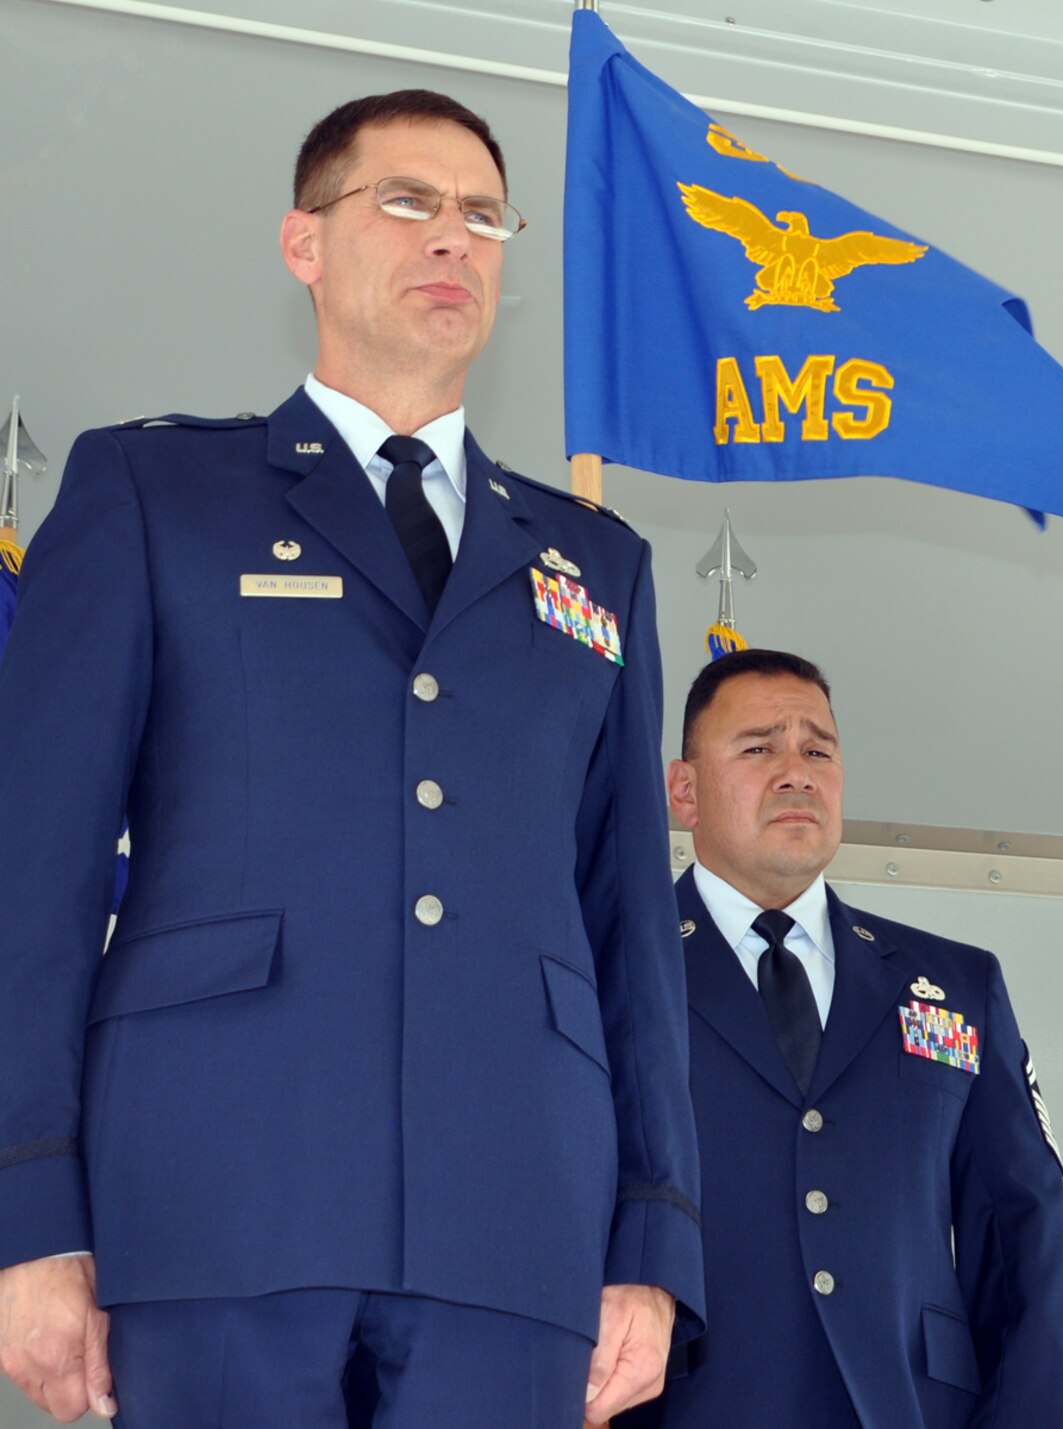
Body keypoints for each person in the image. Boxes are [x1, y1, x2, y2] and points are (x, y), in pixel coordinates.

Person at [0, 90, 702, 1427]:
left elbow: (630, 933)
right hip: (215, 1206)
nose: (457, 238)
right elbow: (34, 875)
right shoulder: (155, 494)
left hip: (515, 1223)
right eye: (408, 202)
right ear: (302, 243)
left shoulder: (595, 563)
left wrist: (653, 1244)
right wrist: (31, 1215)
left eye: (487, 216)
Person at [616, 648, 1063, 1429]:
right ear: (684, 791)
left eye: (818, 750)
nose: (796, 771)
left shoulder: (958, 987)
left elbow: (1021, 1241)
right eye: (758, 747)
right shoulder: (612, 972)